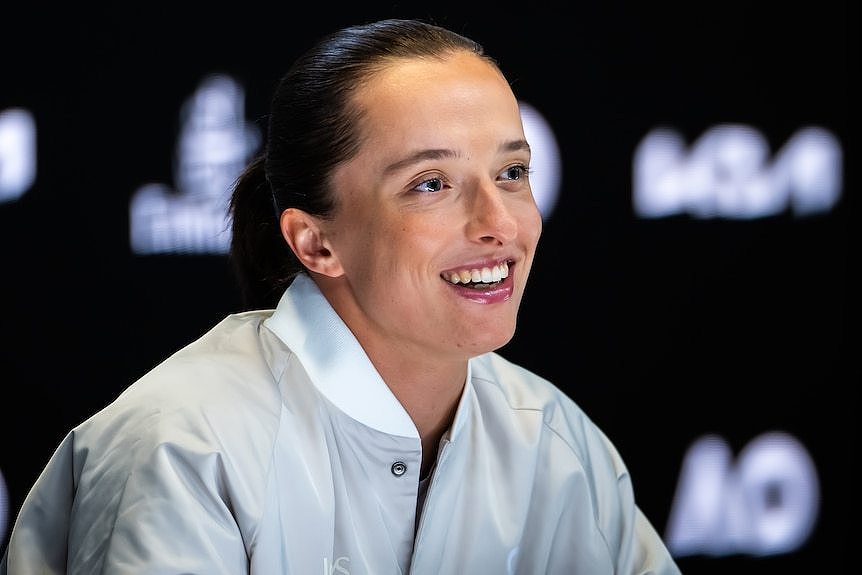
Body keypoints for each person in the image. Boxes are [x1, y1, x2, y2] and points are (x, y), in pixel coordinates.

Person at [0, 18, 681, 574]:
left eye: (512, 172)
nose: (499, 223)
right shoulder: (184, 447)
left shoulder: (560, 443)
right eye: (431, 184)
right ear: (315, 242)